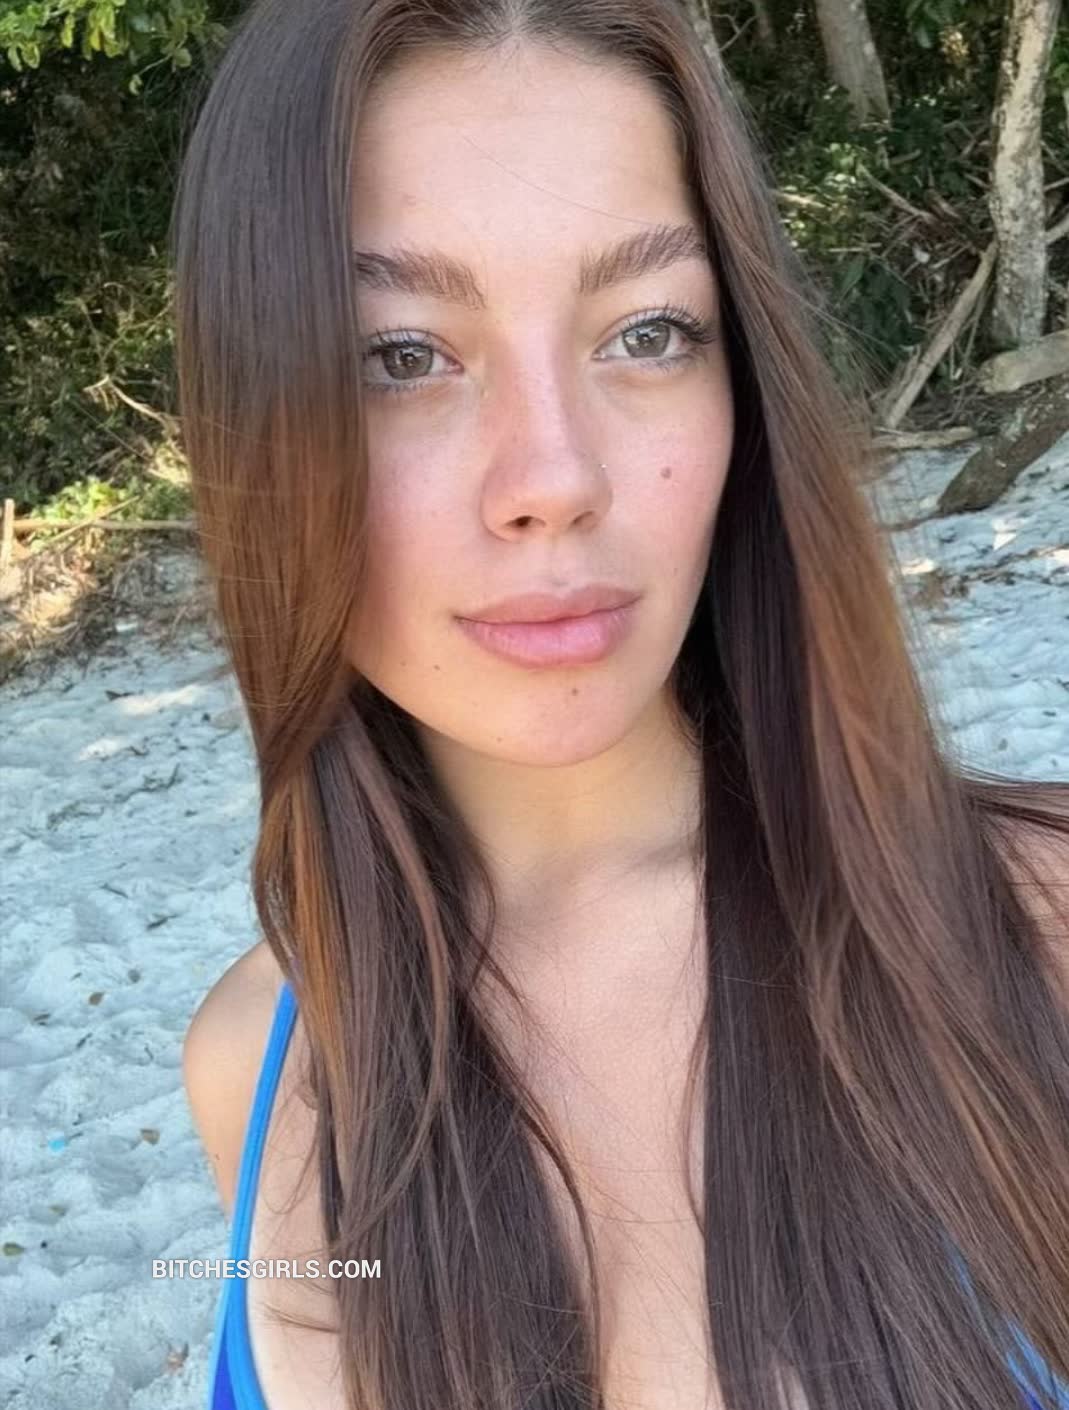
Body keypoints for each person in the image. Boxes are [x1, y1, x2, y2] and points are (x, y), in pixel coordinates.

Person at [171, 2, 1069, 1408]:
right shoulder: (258, 1069)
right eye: (397, 354)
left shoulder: (1040, 926)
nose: (555, 476)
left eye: (648, 332)